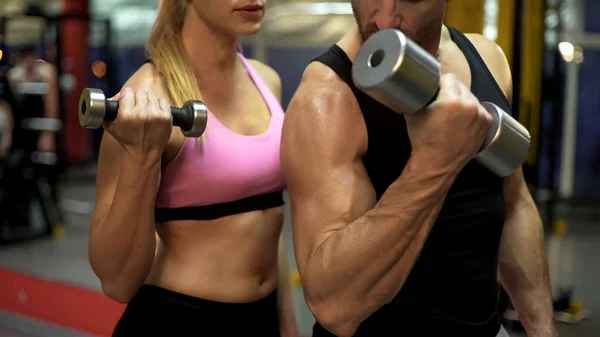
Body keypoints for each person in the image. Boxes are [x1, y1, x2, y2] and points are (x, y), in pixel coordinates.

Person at [281, 1, 556, 337]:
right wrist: (432, 164)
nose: (383, 20)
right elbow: (334, 306)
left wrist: (543, 328)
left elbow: (515, 205)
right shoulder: (326, 98)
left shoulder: (488, 59)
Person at [88, 1, 298, 336]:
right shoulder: (147, 97)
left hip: (263, 316)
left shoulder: (266, 81)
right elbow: (117, 281)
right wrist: (140, 157)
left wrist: (287, 325)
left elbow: (269, 219)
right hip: (179, 320)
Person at [7, 44, 59, 155]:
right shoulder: (14, 75)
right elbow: (9, 107)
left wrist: (47, 134)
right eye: (25, 56)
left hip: (40, 123)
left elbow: (51, 104)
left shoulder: (47, 73)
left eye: (30, 56)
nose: (28, 60)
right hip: (20, 126)